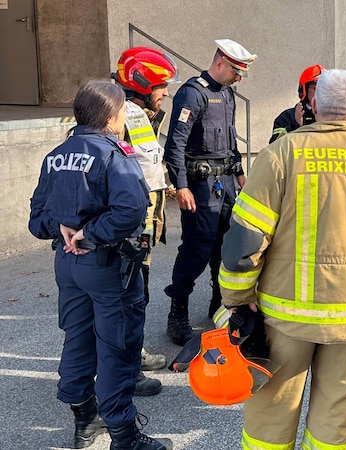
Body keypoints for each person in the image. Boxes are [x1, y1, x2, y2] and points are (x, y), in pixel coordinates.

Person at [217, 68, 346, 448]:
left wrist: (236, 299)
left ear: (313, 104)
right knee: (336, 417)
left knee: (271, 414)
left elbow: (244, 243)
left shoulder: (281, 154)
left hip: (286, 319)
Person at [28, 80, 172, 450]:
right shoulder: (114, 155)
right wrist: (90, 235)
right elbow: (131, 209)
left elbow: (36, 219)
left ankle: (85, 423)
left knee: (77, 341)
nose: (125, 118)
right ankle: (125, 438)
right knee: (117, 348)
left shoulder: (56, 156)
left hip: (68, 265)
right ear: (111, 116)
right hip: (108, 266)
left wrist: (64, 232)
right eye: (123, 111)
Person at [162, 39, 256, 346]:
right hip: (200, 187)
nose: (239, 78)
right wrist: (181, 186)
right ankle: (178, 314)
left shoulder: (227, 94)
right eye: (236, 71)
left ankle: (219, 307)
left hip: (226, 183)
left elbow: (230, 140)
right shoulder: (193, 93)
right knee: (197, 250)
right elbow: (174, 144)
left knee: (224, 248)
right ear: (220, 64)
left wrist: (241, 174)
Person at [114, 46, 181, 396]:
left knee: (138, 291)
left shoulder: (139, 113)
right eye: (161, 86)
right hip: (130, 223)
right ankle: (126, 370)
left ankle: (133, 353)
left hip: (144, 219)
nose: (166, 93)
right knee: (129, 294)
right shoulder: (120, 115)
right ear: (141, 82)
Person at [269, 64, 325, 143]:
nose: (321, 92)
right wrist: (295, 125)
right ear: (304, 90)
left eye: (325, 89)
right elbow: (274, 147)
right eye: (315, 88)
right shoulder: (286, 117)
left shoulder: (335, 117)